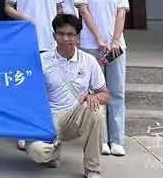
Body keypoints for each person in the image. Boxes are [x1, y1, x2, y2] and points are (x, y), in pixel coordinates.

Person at [23, 13, 108, 178]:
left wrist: (95, 97)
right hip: (48, 119)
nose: (65, 38)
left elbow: (105, 94)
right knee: (37, 152)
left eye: (70, 34)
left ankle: (92, 169)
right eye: (61, 34)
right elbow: (27, 93)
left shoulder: (89, 61)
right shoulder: (41, 60)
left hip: (75, 117)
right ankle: (52, 152)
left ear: (78, 37)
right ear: (54, 36)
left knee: (94, 110)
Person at [74, 0, 129, 157]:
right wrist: (98, 38)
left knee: (116, 91)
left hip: (116, 48)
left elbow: (121, 13)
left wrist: (114, 40)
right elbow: (84, 11)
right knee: (95, 93)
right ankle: (101, 139)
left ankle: (117, 139)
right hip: (91, 46)